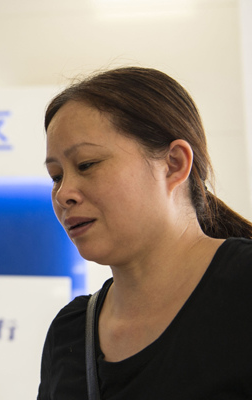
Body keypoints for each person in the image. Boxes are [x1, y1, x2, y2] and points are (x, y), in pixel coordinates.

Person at [37, 66, 252, 399]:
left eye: (87, 164)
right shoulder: (71, 331)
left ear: (174, 163)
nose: (64, 193)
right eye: (55, 176)